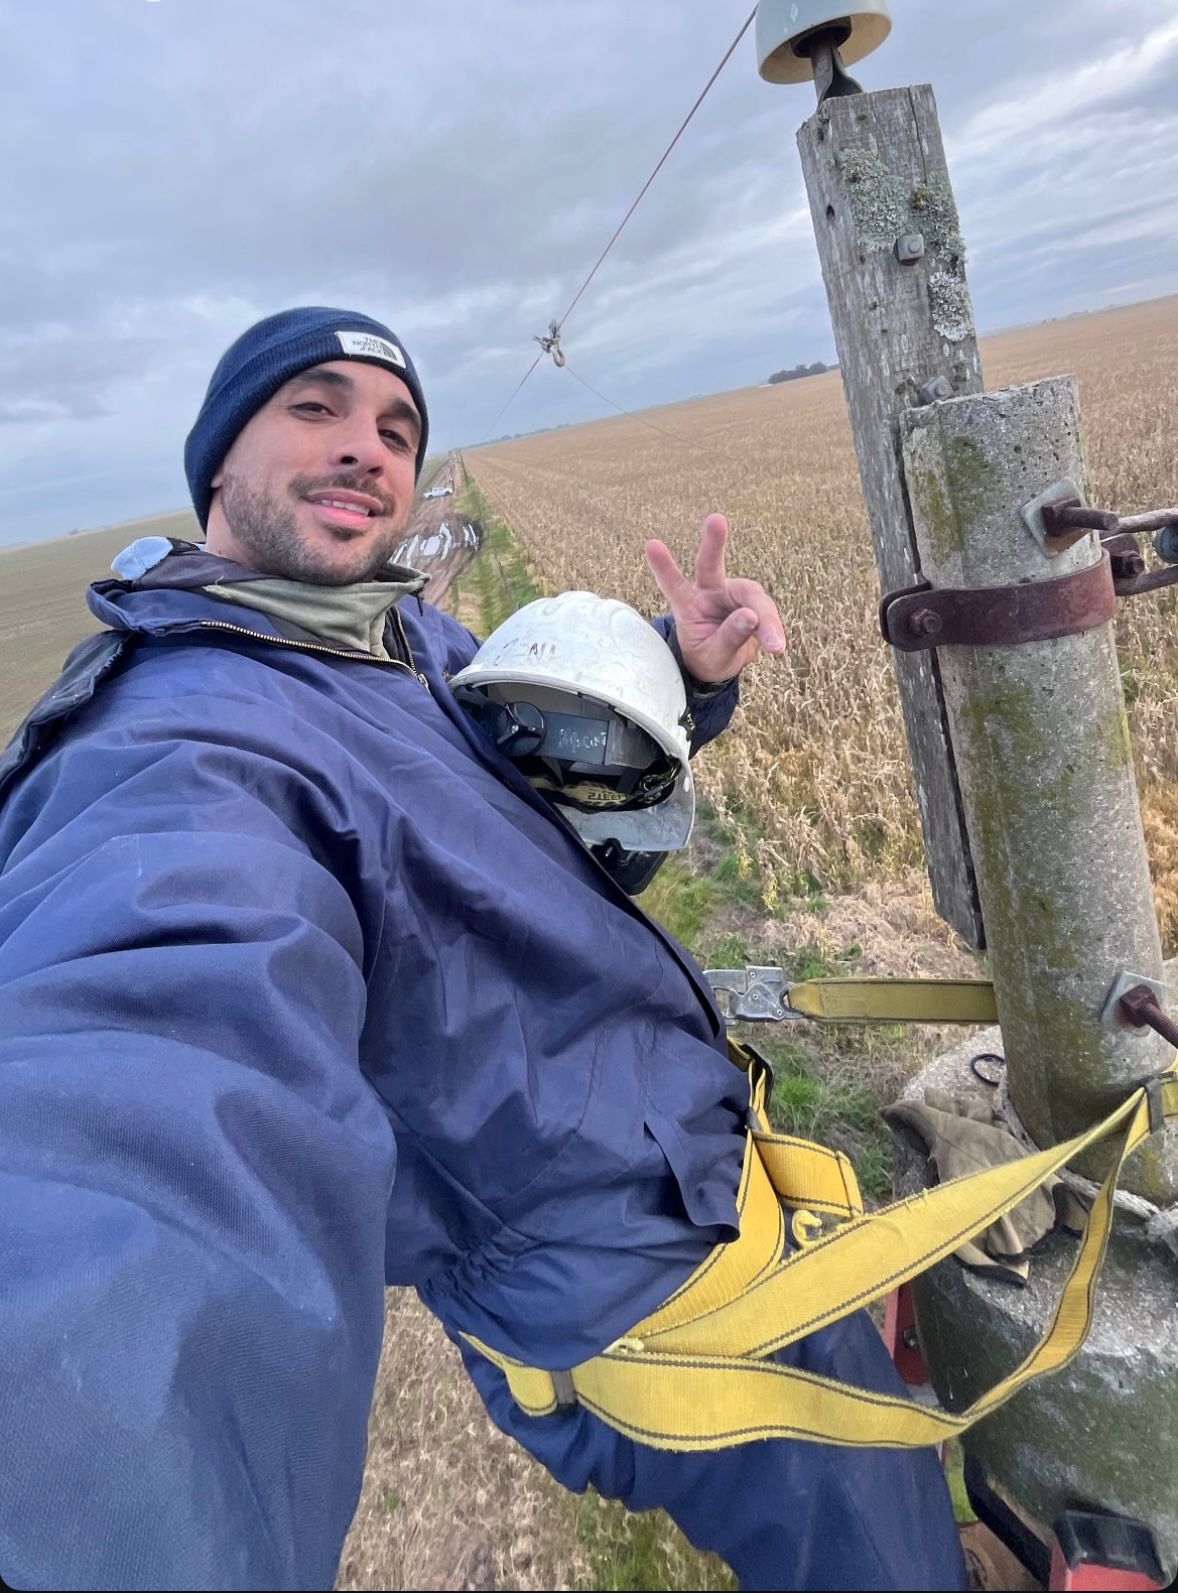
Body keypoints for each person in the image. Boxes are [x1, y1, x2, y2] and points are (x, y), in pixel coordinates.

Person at [0, 307, 966, 1592]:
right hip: (637, 1303)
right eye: (315, 407)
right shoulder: (177, 749)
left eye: (396, 429)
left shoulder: (393, 639)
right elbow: (147, 1096)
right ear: (217, 457)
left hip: (689, 1180)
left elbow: (546, 796)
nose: (368, 450)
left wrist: (678, 680)